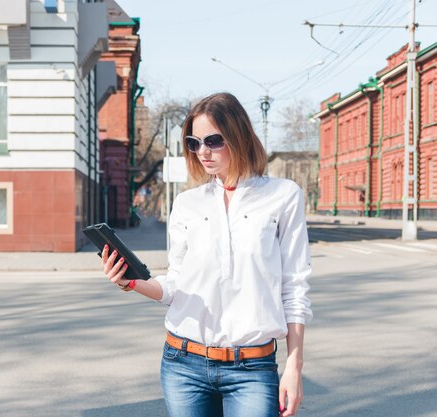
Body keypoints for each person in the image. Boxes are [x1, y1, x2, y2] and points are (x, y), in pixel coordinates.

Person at [101, 92, 312, 417]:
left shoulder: (283, 197)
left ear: (238, 136)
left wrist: (294, 366)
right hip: (183, 364)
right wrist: (132, 282)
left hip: (252, 369)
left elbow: (294, 288)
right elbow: (175, 285)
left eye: (213, 140)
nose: (203, 151)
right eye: (194, 142)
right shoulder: (187, 204)